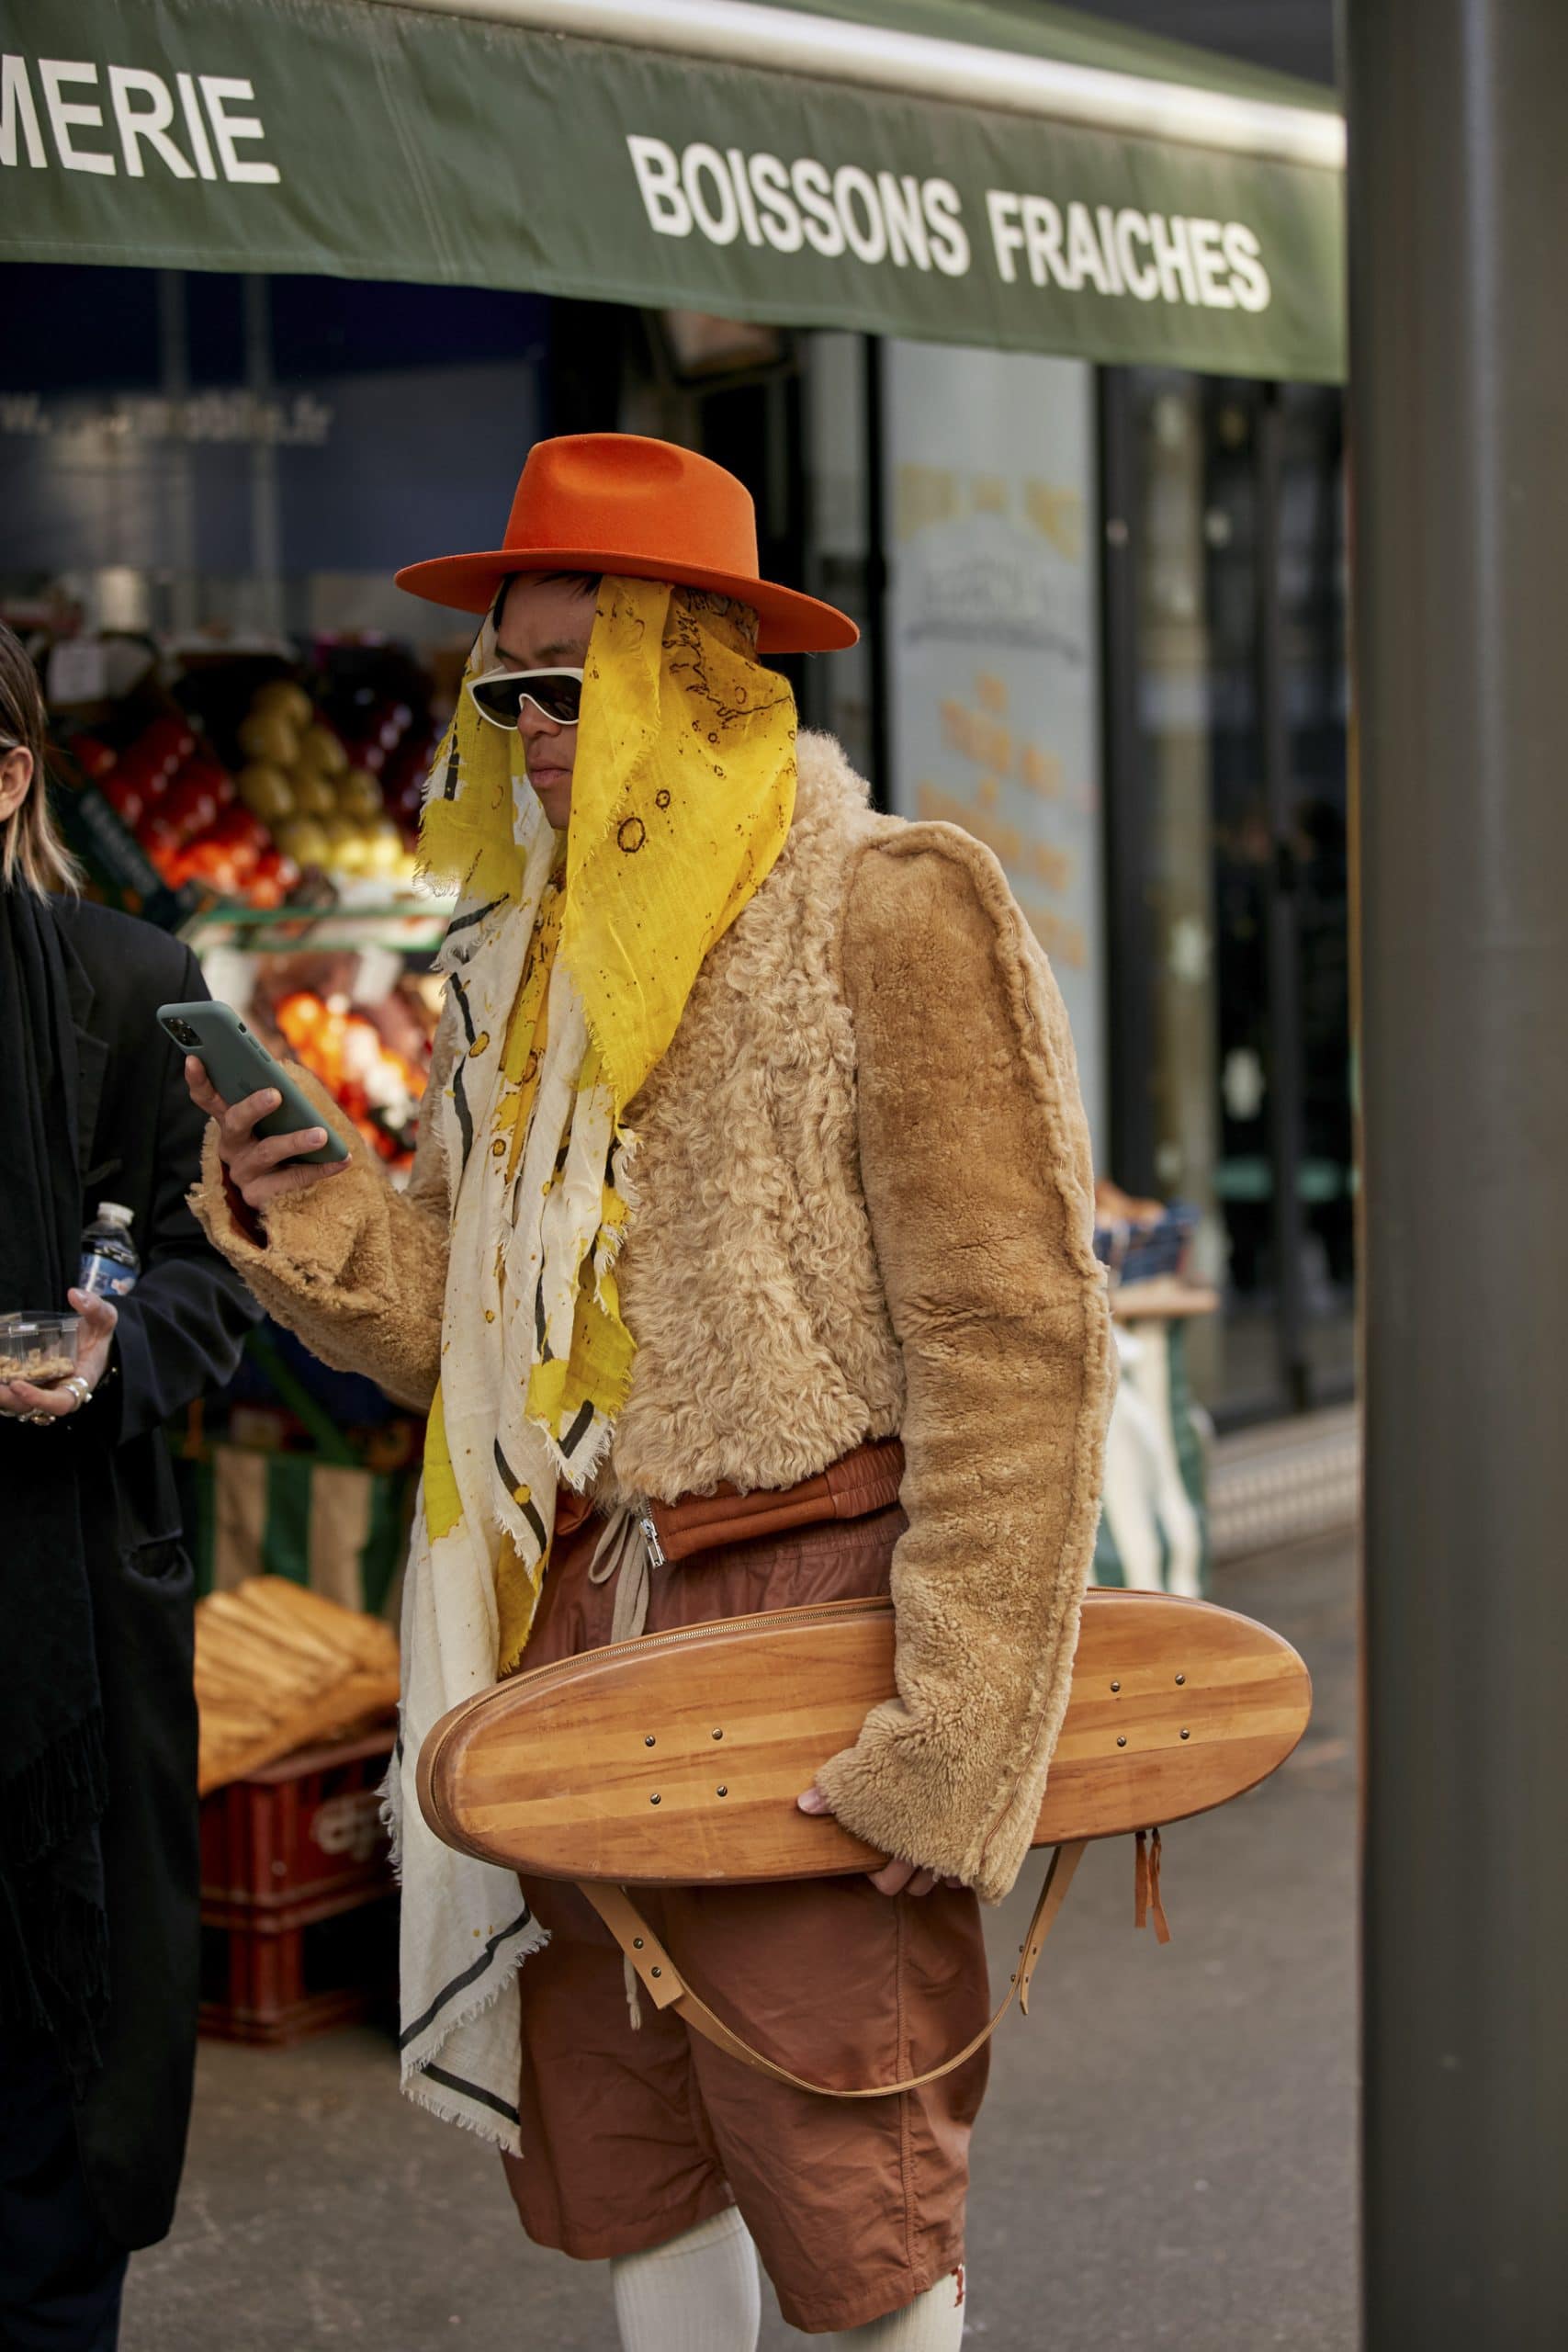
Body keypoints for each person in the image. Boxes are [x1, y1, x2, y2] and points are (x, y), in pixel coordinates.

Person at [186, 435, 1114, 2346]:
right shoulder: (512, 969)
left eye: (563, 677)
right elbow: (465, 1323)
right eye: (502, 681)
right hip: (572, 1608)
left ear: (693, 669)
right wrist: (323, 1220)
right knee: (626, 2153)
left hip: (806, 1612)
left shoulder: (883, 904)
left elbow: (1014, 1343)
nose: (521, 718)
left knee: (848, 2176)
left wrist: (954, 1736)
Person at [0, 623, 258, 2350]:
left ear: (8, 775)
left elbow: (213, 1266)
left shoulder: (119, 986)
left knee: (46, 2112)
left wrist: (113, 1357)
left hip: (59, 1632)